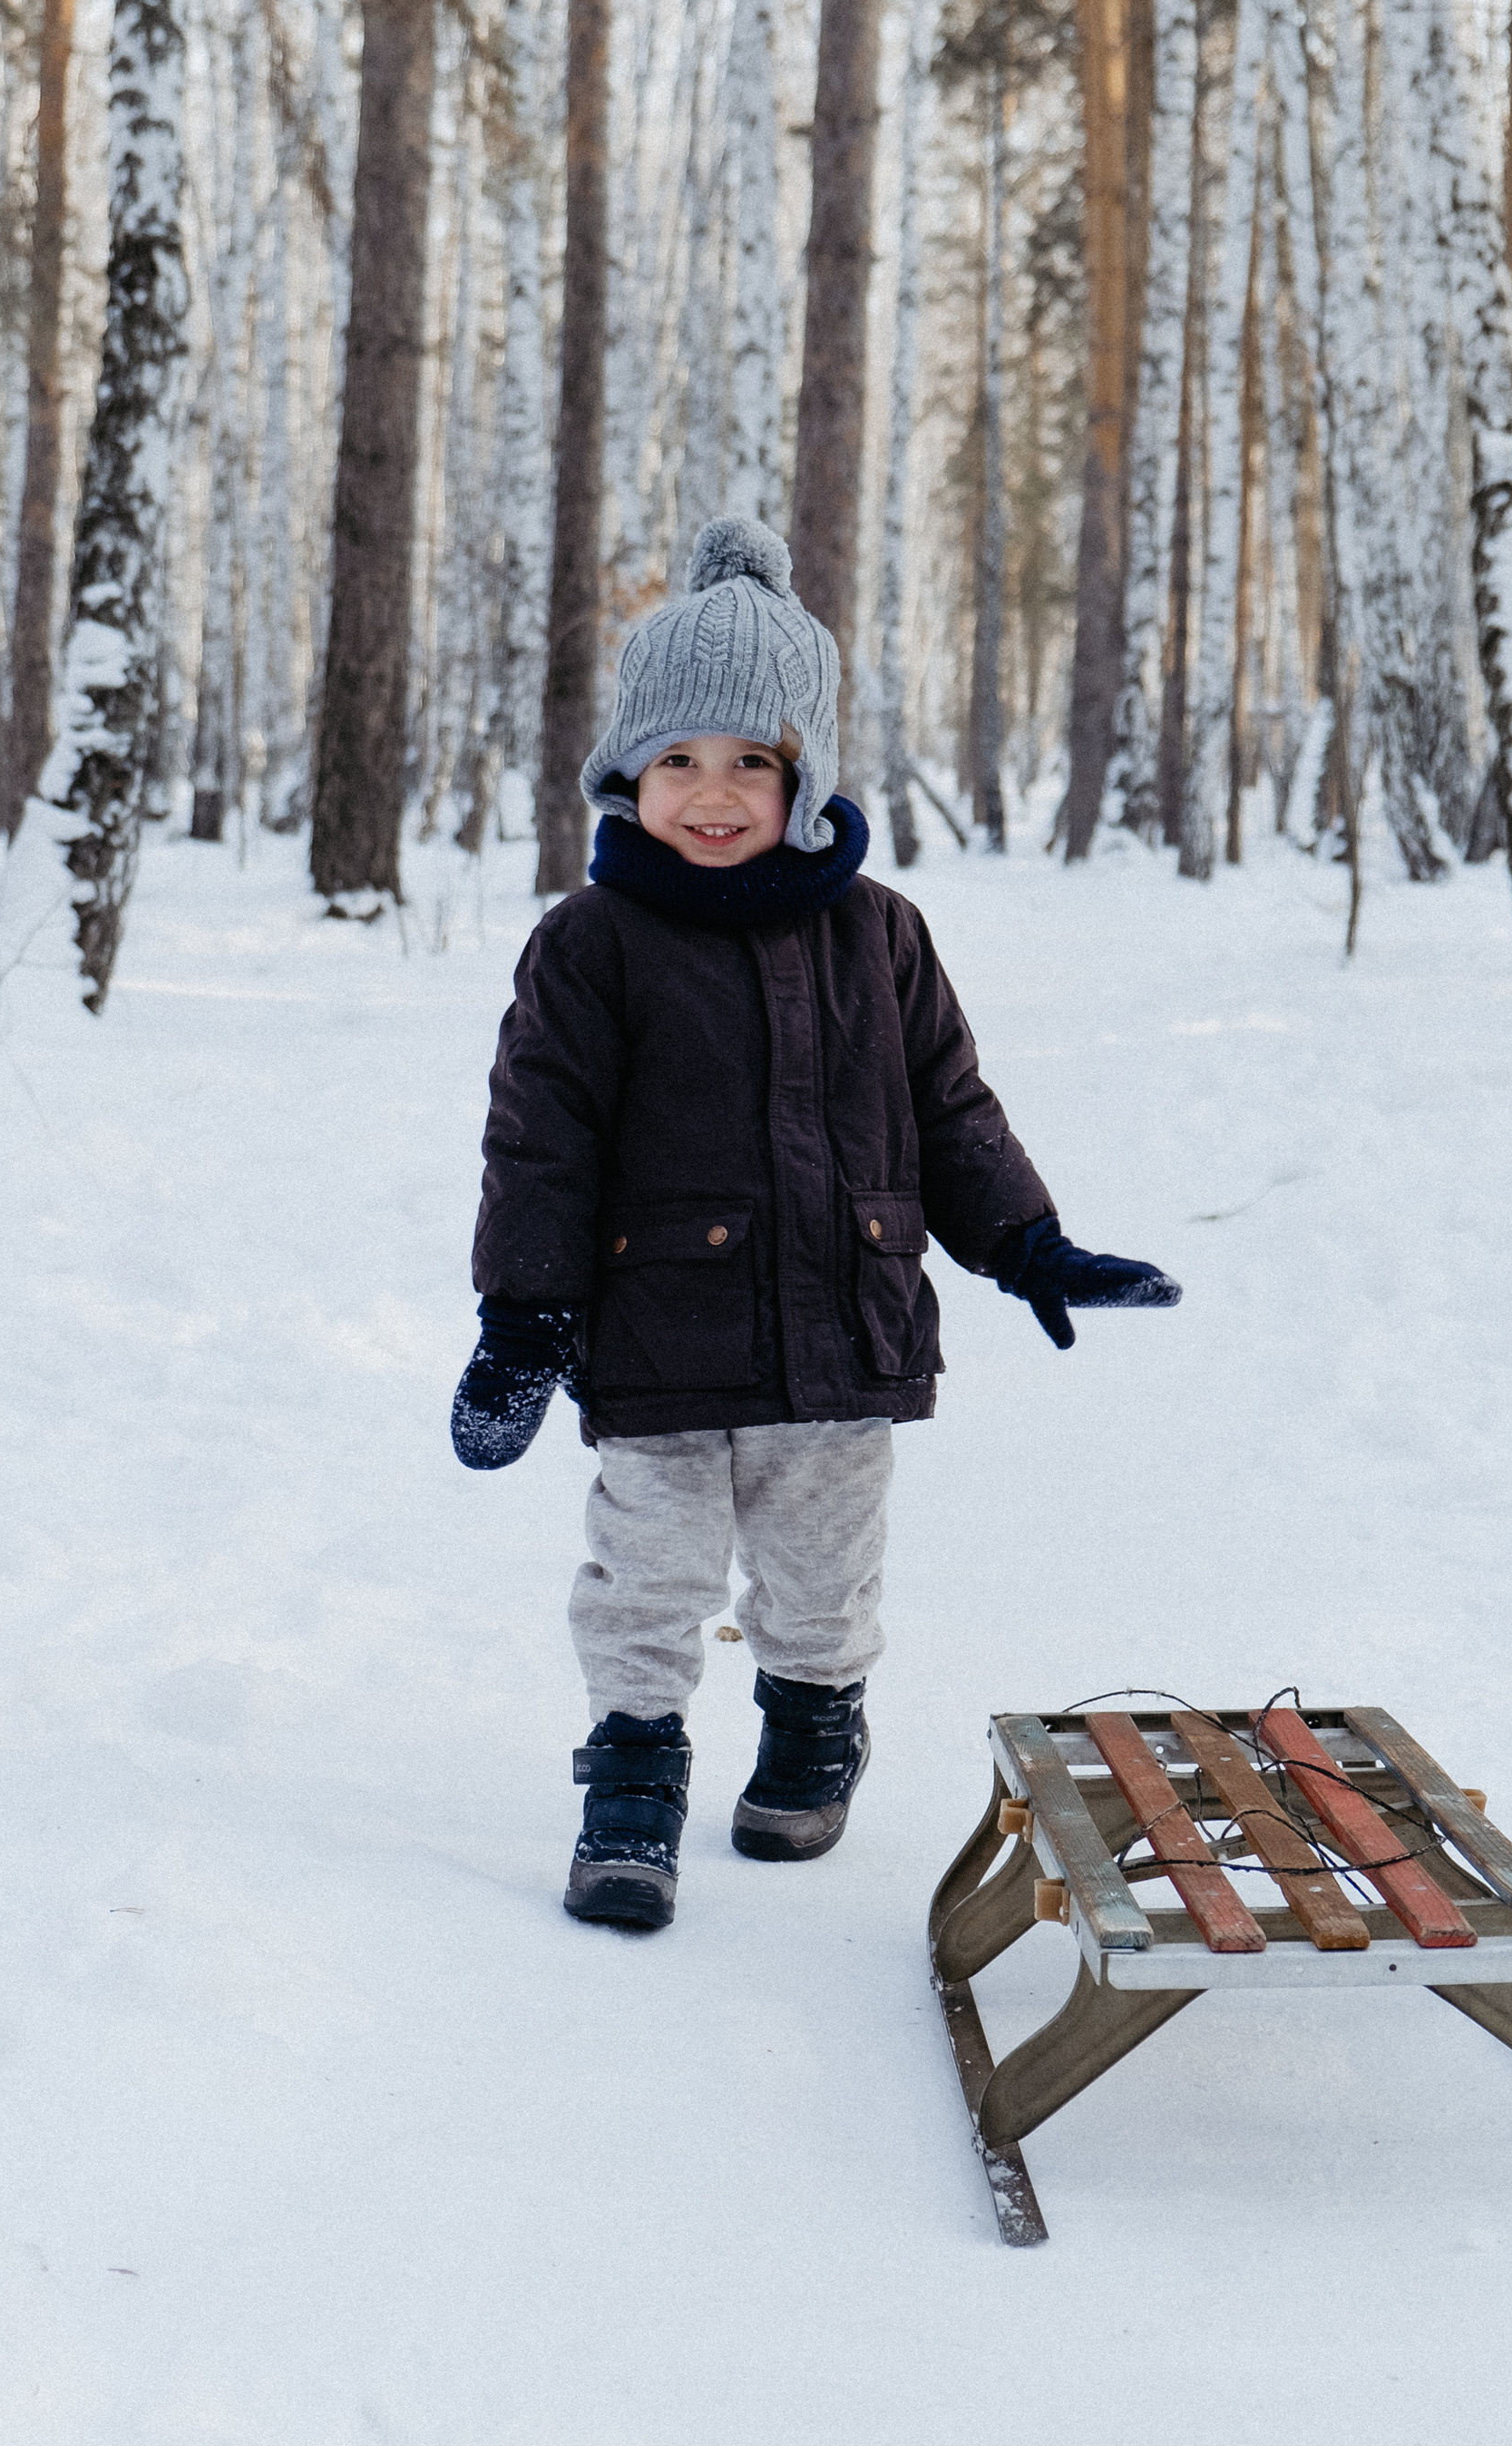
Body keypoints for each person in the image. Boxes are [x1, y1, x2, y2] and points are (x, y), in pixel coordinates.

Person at [454, 516, 1178, 1932]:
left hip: (842, 1343)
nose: (713, 795)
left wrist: (1028, 1242)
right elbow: (537, 1146)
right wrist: (523, 1321)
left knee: (822, 1584)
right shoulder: (590, 947)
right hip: (656, 1340)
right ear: (630, 773)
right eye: (680, 762)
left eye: (752, 764)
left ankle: (811, 1726)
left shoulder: (881, 935)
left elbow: (952, 1113)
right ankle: (633, 1784)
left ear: (809, 772)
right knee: (644, 1582)